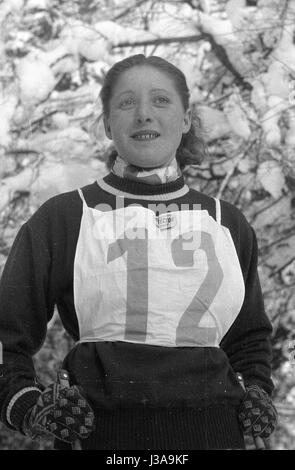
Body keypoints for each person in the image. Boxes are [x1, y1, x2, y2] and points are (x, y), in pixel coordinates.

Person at [0, 54, 277, 450]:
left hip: (214, 435)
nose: (144, 114)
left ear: (185, 119)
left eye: (161, 100)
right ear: (108, 123)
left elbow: (249, 339)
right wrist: (26, 404)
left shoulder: (226, 222)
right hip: (102, 439)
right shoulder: (65, 216)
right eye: (127, 102)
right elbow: (6, 334)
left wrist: (257, 391)